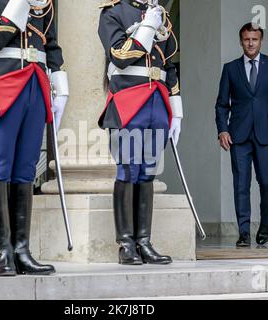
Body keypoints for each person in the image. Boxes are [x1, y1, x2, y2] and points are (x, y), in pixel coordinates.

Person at [0, 0, 69, 276]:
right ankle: (3, 252)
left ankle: (22, 250)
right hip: (3, 81)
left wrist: (61, 85)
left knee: (25, 170)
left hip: (35, 83)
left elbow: (51, 42)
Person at [98, 0, 183, 265]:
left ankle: (144, 242)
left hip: (157, 99)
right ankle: (126, 244)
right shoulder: (112, 12)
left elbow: (169, 66)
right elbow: (120, 56)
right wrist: (147, 26)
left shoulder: (162, 15)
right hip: (128, 99)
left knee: (148, 171)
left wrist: (177, 108)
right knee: (128, 170)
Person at [215, 22, 268, 248]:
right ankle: (244, 232)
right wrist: (222, 129)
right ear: (241, 41)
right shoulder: (230, 68)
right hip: (238, 135)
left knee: (267, 182)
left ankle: (265, 224)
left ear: (261, 41)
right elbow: (221, 105)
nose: (250, 43)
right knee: (241, 184)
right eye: (247, 39)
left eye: (254, 39)